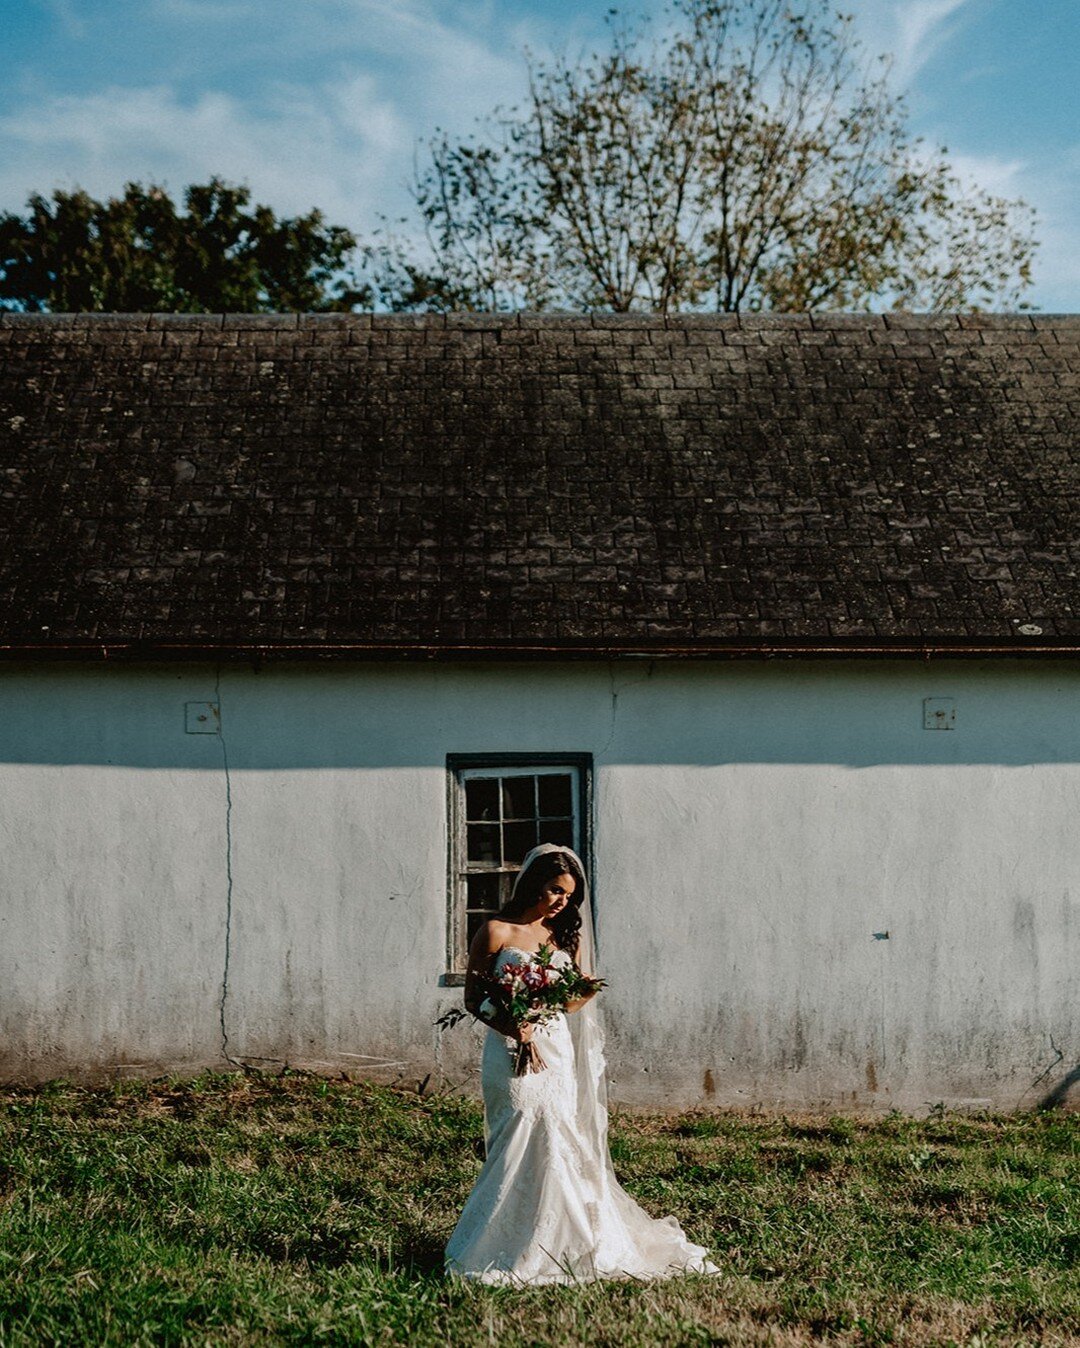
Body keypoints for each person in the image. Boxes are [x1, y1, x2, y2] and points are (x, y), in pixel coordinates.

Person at [444, 842, 721, 1285]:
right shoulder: (495, 931)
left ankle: (567, 1239)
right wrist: (514, 1026)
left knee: (558, 1135)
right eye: (556, 890)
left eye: (569, 897)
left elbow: (568, 1005)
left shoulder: (558, 937)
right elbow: (474, 998)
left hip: (554, 1049)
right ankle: (499, 1242)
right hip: (510, 1047)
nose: (561, 902)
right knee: (516, 1131)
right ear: (534, 883)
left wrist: (584, 991)